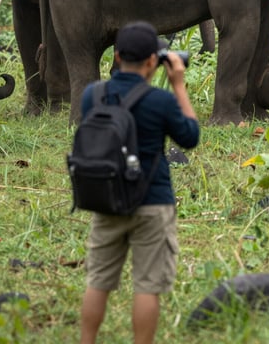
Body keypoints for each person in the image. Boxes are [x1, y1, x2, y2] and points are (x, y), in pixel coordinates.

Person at [79, 20, 200, 344]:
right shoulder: (159, 101)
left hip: (106, 197)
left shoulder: (93, 94)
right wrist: (177, 85)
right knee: (147, 286)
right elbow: (190, 136)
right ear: (152, 61)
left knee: (98, 281)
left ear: (117, 56)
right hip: (153, 200)